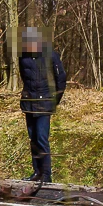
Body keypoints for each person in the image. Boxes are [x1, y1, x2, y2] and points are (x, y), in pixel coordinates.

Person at [18, 27, 66, 183]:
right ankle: (37, 172)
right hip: (29, 103)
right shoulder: (23, 57)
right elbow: (24, 78)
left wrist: (54, 100)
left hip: (45, 102)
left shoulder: (50, 55)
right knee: (33, 139)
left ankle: (46, 174)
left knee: (41, 138)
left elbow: (61, 80)